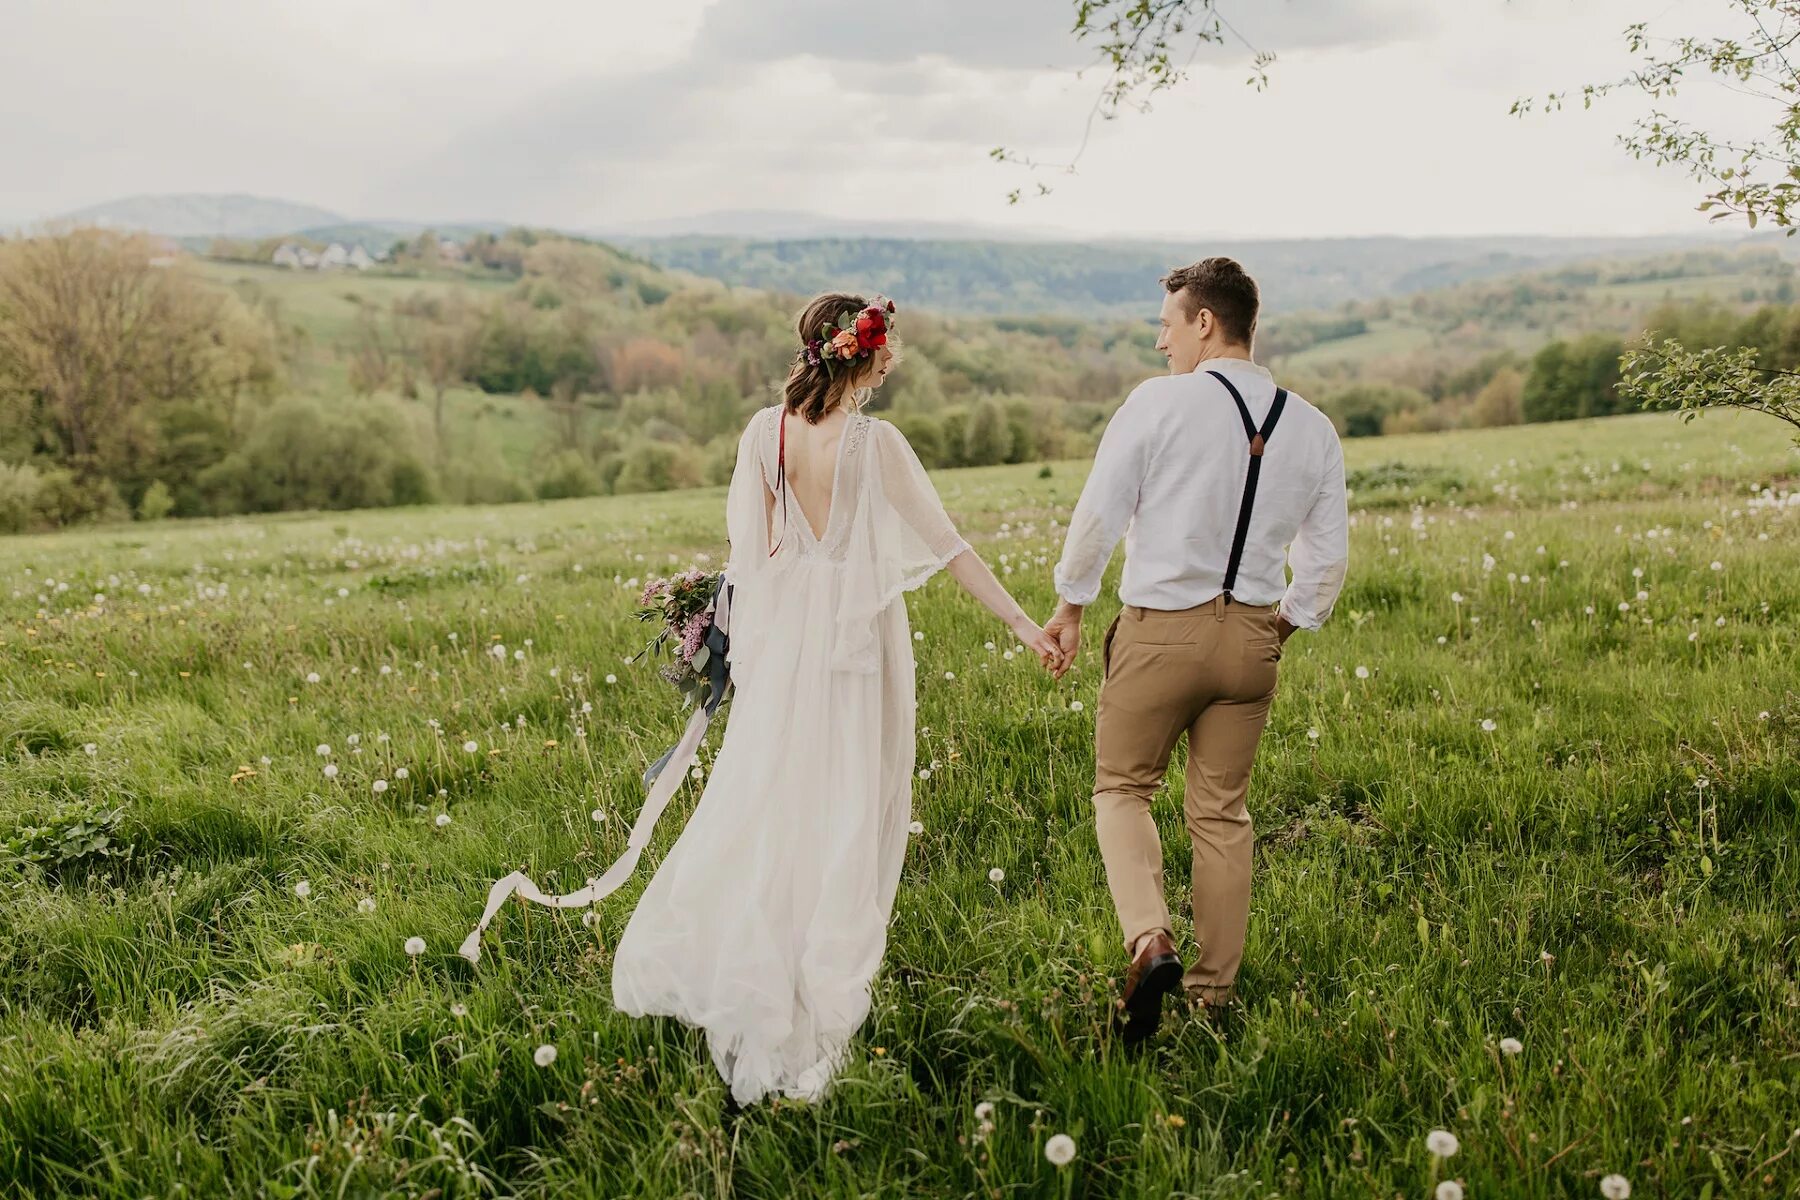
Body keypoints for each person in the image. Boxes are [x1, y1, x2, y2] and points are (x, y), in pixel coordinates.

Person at [461, 292, 1060, 1107]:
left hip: (784, 648)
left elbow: (751, 551)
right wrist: (1027, 627)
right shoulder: (874, 444)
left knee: (773, 797)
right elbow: (950, 546)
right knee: (846, 801)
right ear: (866, 353)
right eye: (891, 348)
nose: (896, 359)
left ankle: (753, 946)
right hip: (854, 647)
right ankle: (813, 975)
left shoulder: (762, 432)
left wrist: (733, 643)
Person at [1042, 257, 1349, 1046]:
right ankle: (1211, 998)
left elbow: (1099, 512)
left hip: (1160, 630)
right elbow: (1325, 558)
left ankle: (1150, 939)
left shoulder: (1160, 404)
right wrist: (1282, 624)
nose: (1160, 342)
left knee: (1120, 790)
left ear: (1205, 322)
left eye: (1168, 324)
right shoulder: (1311, 426)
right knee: (1221, 814)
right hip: (1251, 639)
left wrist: (1072, 603)